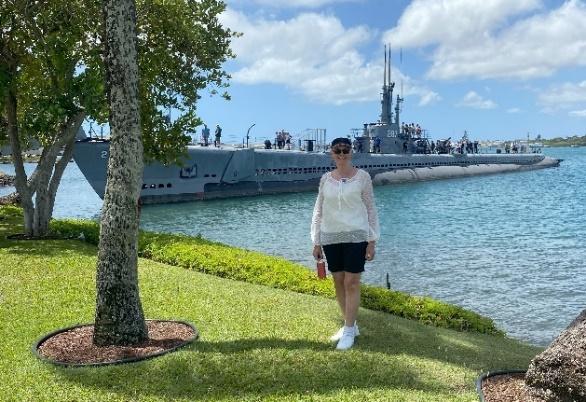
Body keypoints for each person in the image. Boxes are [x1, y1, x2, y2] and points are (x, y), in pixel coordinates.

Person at [310, 137, 380, 350]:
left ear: (351, 153)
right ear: (332, 153)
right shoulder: (325, 179)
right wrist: (316, 240)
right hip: (331, 235)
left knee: (352, 282)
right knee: (338, 281)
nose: (341, 155)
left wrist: (372, 240)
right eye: (337, 151)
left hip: (356, 235)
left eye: (345, 151)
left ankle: (348, 330)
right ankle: (349, 325)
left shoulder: (363, 177)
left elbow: (370, 208)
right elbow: (318, 210)